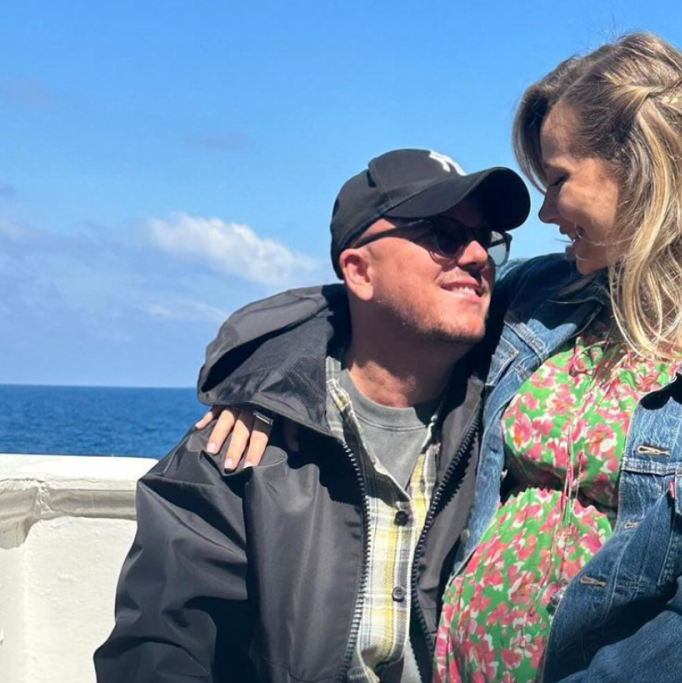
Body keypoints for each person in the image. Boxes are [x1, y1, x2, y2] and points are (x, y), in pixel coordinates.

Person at [190, 33, 682, 683]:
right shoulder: (542, 297)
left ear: (643, 166)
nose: (546, 212)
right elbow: (370, 307)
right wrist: (268, 382)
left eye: (558, 179)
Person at [93, 148, 532, 683]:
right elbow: (159, 645)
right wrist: (265, 381)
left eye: (485, 239)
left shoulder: (516, 422)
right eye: (443, 235)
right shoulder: (245, 446)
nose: (477, 256)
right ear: (359, 271)